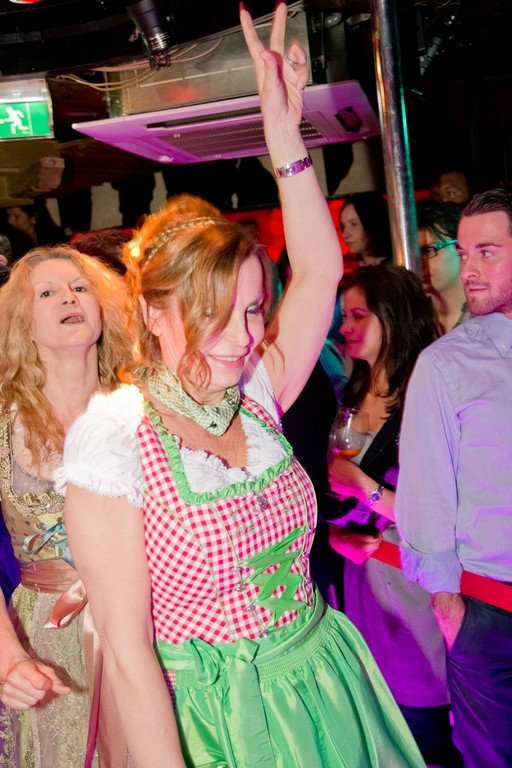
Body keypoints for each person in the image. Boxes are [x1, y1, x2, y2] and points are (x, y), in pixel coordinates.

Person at [59, 6, 424, 767]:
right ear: (153, 313)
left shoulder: (255, 396)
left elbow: (318, 270)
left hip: (323, 676)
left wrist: (283, 134)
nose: (241, 336)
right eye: (213, 315)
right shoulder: (115, 440)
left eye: (254, 309)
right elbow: (128, 656)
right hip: (221, 719)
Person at [0, 245, 132, 767]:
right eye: (48, 293)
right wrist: (9, 659)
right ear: (22, 323)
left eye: (80, 288)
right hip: (47, 640)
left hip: (148, 621)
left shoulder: (142, 410)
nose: (69, 298)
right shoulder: (2, 424)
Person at [395, 187, 512, 768]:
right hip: (491, 613)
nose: (469, 270)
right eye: (463, 254)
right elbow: (426, 497)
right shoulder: (445, 364)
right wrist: (451, 612)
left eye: (486, 252)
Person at [328, 266, 461, 765]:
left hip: (413, 584)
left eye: (359, 315)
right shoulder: (351, 390)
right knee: (380, 720)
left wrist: (365, 489)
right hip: (363, 582)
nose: (345, 326)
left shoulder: (427, 395)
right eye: (344, 316)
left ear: (394, 317)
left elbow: (442, 513)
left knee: (425, 721)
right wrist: (335, 533)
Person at [417, 202, 468, 333]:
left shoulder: (493, 317)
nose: (419, 263)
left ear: (461, 248)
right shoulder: (411, 319)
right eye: (413, 254)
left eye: (428, 250)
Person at [339, 191, 393, 265]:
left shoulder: (395, 265)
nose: (345, 235)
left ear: (373, 224)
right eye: (343, 226)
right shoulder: (352, 266)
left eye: (354, 224)